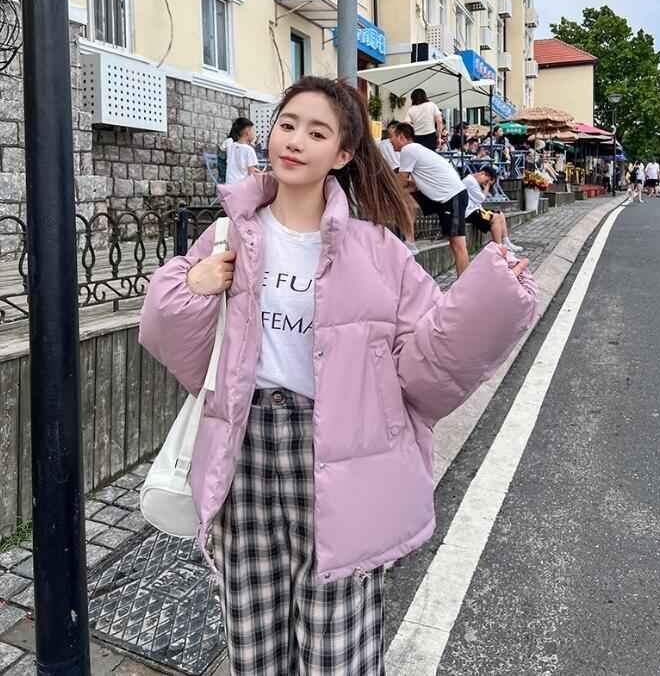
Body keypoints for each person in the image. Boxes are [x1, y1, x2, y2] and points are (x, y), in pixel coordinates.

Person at [139, 76, 536, 676]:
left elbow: (423, 367)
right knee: (253, 643)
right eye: (287, 124)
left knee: (337, 649)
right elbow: (177, 349)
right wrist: (188, 288)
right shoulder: (226, 234)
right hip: (243, 453)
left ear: (344, 154)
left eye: (317, 132)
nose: (295, 140)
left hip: (342, 459)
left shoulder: (378, 250)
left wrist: (491, 300)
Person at [390, 122, 472, 275]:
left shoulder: (409, 149)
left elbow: (401, 181)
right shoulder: (417, 150)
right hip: (447, 197)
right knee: (455, 245)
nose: (390, 141)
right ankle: (410, 240)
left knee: (458, 245)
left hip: (452, 196)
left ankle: (465, 285)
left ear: (401, 137)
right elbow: (411, 186)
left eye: (391, 137)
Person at [463, 166, 523, 254]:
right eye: (486, 181)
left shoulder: (473, 181)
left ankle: (506, 242)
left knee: (500, 214)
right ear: (482, 174)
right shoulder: (470, 181)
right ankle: (499, 249)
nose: (485, 183)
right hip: (469, 212)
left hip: (475, 209)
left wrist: (486, 185)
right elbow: (481, 198)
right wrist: (487, 186)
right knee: (495, 218)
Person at [220, 117, 259, 184]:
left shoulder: (231, 146)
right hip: (241, 187)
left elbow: (237, 165)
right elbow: (251, 175)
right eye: (253, 130)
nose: (254, 133)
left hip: (229, 185)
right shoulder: (249, 150)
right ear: (247, 132)